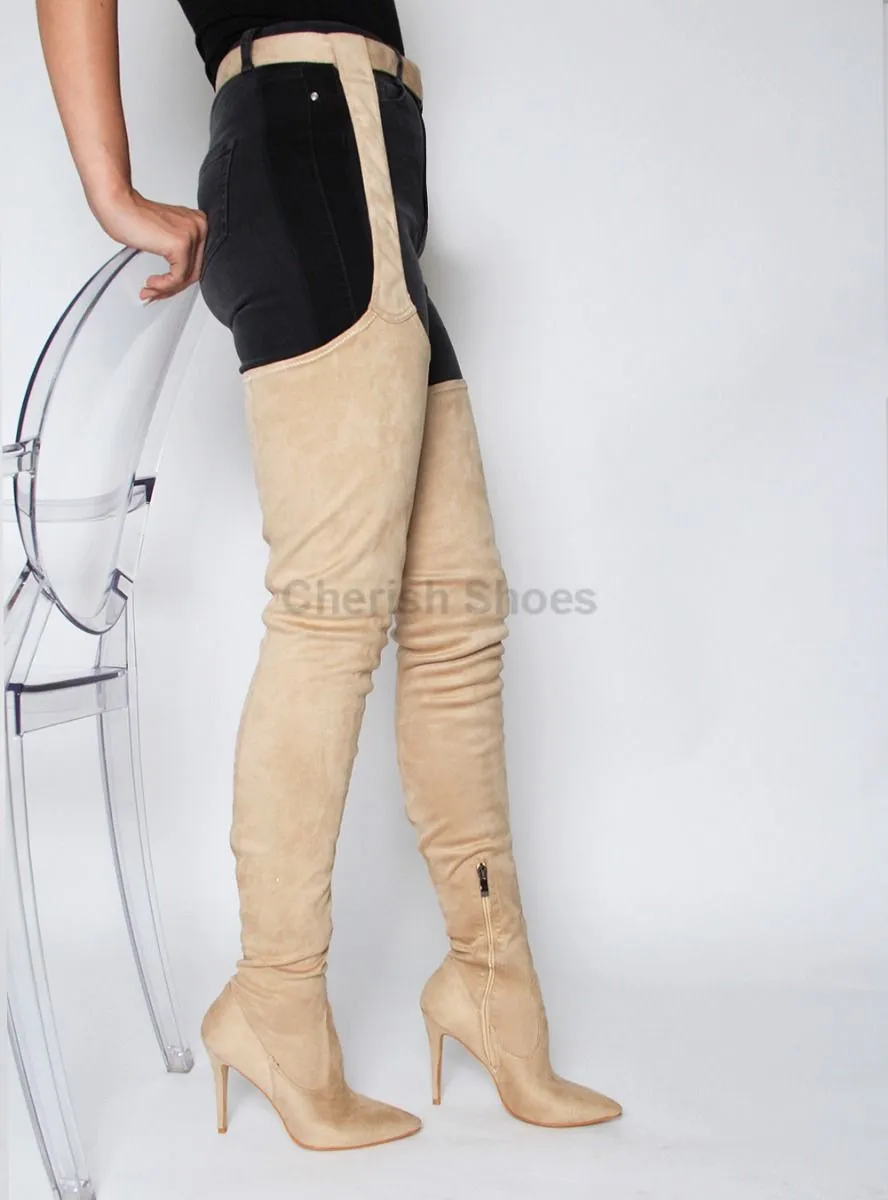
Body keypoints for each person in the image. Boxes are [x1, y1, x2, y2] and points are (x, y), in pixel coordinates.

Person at [35, 0, 623, 1152]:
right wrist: (110, 190)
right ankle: (276, 1000)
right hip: (314, 142)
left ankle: (490, 986)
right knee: (328, 620)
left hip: (366, 161)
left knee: (455, 618)